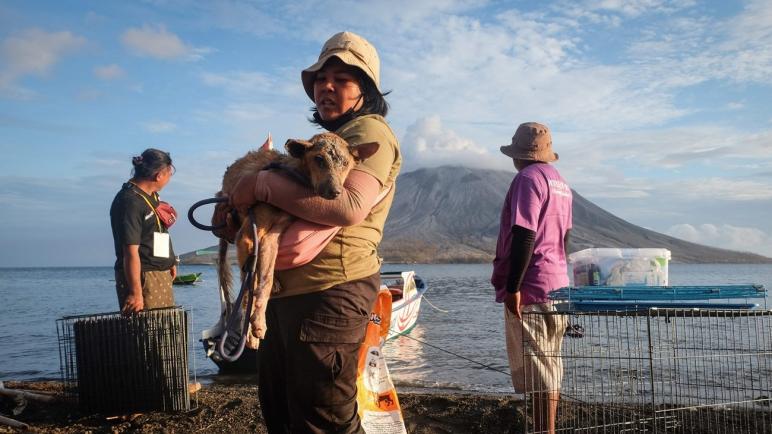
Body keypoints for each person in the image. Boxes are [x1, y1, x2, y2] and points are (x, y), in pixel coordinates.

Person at [228, 31, 401, 433]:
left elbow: (348, 206)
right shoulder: (321, 143)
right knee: (283, 414)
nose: (326, 87)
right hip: (286, 296)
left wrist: (260, 186)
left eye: (342, 79)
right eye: (321, 79)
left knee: (323, 420)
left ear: (366, 90)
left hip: (331, 294)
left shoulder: (368, 134)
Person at [490, 122, 572, 434]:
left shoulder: (526, 179)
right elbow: (566, 237)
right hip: (558, 284)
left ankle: (543, 431)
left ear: (518, 155)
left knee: (539, 371)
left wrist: (513, 288)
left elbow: (524, 234)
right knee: (550, 364)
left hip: (532, 285)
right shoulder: (559, 181)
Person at [110, 148, 177, 314]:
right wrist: (136, 293)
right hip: (143, 277)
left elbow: (157, 231)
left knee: (165, 333)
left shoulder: (151, 196)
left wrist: (170, 261)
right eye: (169, 173)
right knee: (148, 335)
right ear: (159, 175)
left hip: (159, 274)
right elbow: (130, 251)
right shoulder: (130, 201)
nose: (170, 178)